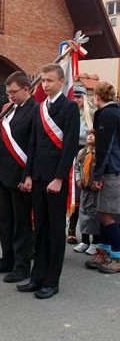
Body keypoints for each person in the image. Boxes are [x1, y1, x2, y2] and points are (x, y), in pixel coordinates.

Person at [18, 63, 79, 299]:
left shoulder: (69, 107)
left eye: (50, 80)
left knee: (54, 231)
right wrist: (28, 175)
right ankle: (37, 277)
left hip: (55, 180)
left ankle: (52, 282)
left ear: (61, 82)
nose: (45, 84)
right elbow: (33, 144)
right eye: (43, 80)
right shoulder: (40, 107)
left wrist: (59, 178)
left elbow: (70, 145)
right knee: (40, 229)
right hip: (38, 178)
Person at [0, 71, 35, 283]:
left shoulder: (34, 111)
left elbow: (34, 146)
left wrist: (28, 175)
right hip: (5, 174)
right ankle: (7, 259)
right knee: (5, 221)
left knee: (21, 223)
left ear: (26, 89)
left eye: (13, 92)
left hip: (20, 176)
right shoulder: (11, 110)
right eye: (8, 92)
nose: (10, 96)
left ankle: (22, 266)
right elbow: (1, 140)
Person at [85, 82, 120, 273]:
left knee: (107, 214)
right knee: (103, 212)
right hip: (113, 169)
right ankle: (104, 251)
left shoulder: (107, 115)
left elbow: (105, 148)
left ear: (97, 97)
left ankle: (117, 256)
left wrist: (97, 176)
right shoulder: (114, 112)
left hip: (111, 171)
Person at [67, 85, 95, 244]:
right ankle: (71, 229)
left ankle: (85, 233)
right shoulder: (68, 113)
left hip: (85, 154)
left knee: (80, 192)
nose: (76, 100)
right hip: (70, 153)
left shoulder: (91, 114)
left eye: (79, 97)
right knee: (71, 192)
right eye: (74, 96)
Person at [73, 130, 100, 255]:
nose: (90, 136)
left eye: (93, 135)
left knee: (94, 215)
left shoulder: (99, 154)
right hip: (84, 188)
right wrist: (78, 179)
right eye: (89, 134)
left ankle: (95, 242)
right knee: (83, 214)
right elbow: (77, 167)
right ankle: (84, 241)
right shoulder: (82, 152)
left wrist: (98, 181)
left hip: (95, 189)